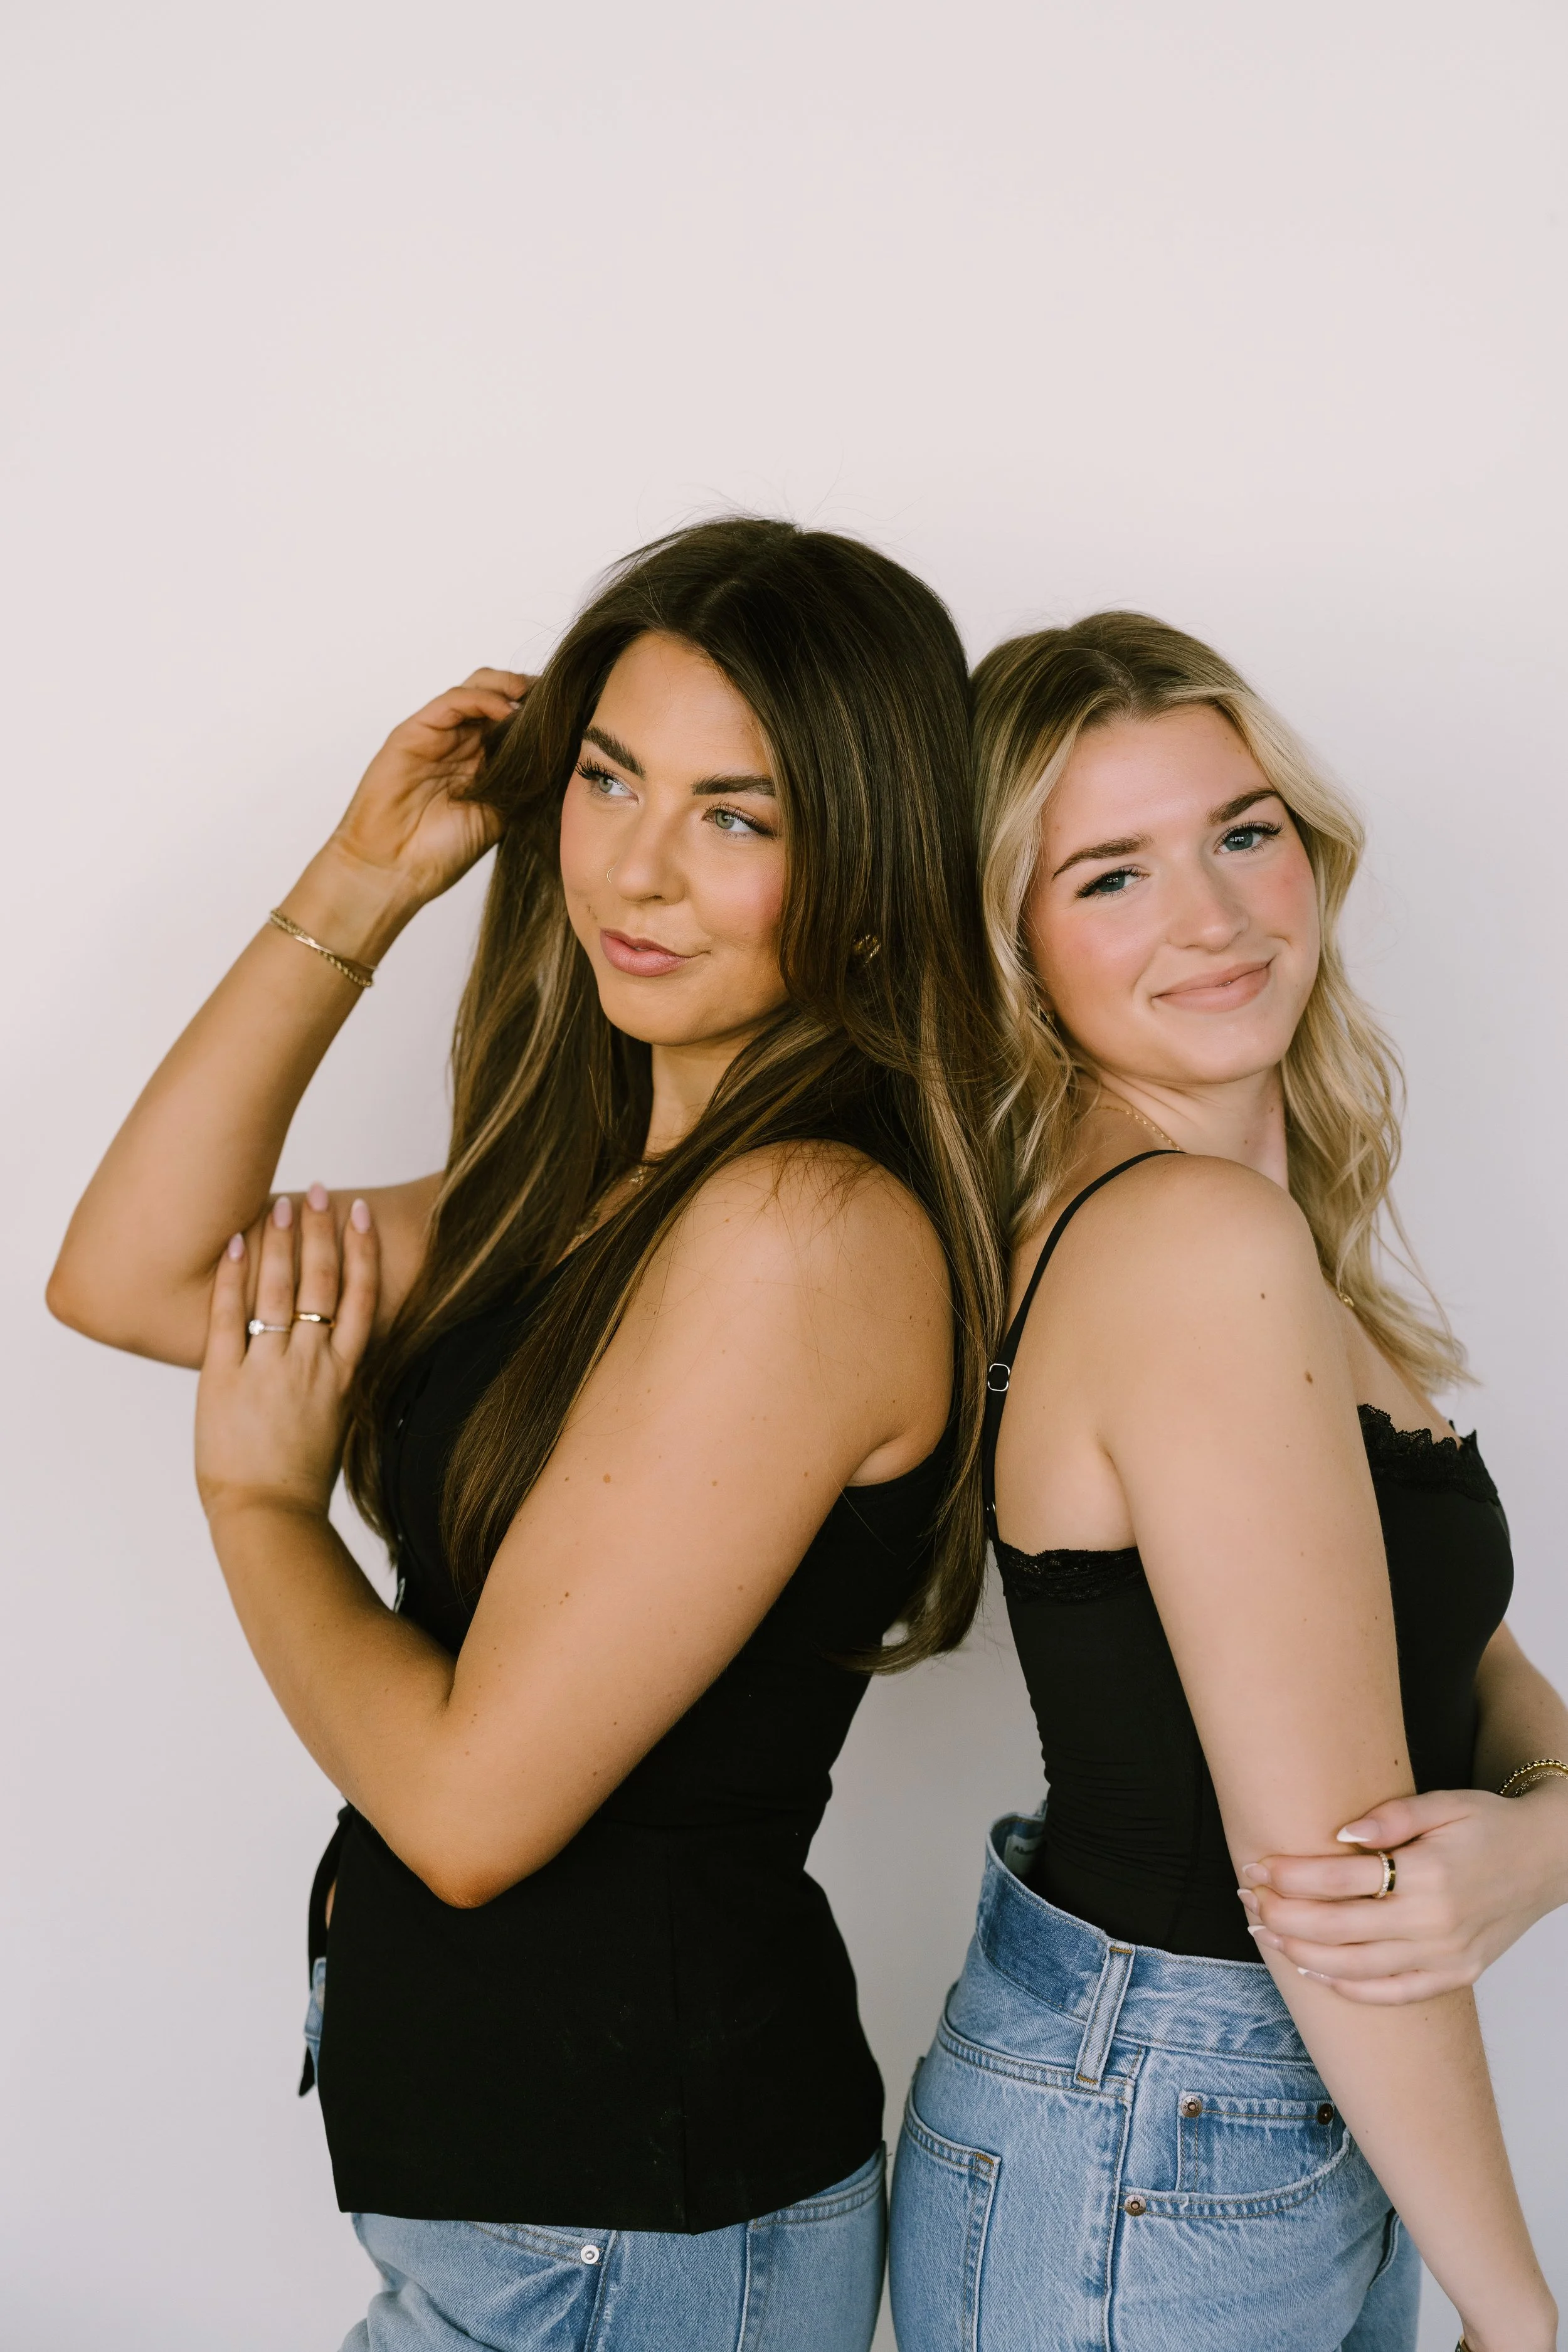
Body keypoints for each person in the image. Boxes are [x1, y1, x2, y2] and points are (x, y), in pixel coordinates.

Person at [48, 517, 1004, 2352]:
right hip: (544, 2213)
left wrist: (261, 1502)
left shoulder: (799, 1228)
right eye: (608, 778)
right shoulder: (574, 1188)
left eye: (739, 816)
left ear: (870, 869)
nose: (638, 868)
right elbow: (131, 1274)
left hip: (626, 2229)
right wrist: (356, 880)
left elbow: (474, 1813)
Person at [887, 612, 1560, 2352]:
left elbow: (1449, 1664)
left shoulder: (1258, 1239)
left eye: (1241, 832)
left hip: (1200, 2116)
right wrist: (1516, 2312)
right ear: (1011, 944)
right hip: (1172, 2128)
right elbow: (1330, 1883)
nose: (1212, 915)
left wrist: (1545, 1830)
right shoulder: (1190, 1245)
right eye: (1107, 874)